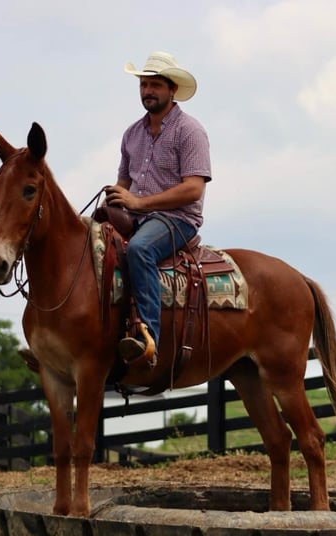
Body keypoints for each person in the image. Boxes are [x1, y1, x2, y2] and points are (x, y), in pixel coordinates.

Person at [104, 51, 212, 368]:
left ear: (171, 90)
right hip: (136, 215)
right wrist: (113, 201)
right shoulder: (131, 134)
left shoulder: (189, 131)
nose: (148, 91)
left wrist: (139, 203)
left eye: (155, 85)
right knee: (90, 248)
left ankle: (147, 338)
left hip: (178, 219)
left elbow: (193, 188)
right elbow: (124, 181)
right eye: (144, 85)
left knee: (139, 249)